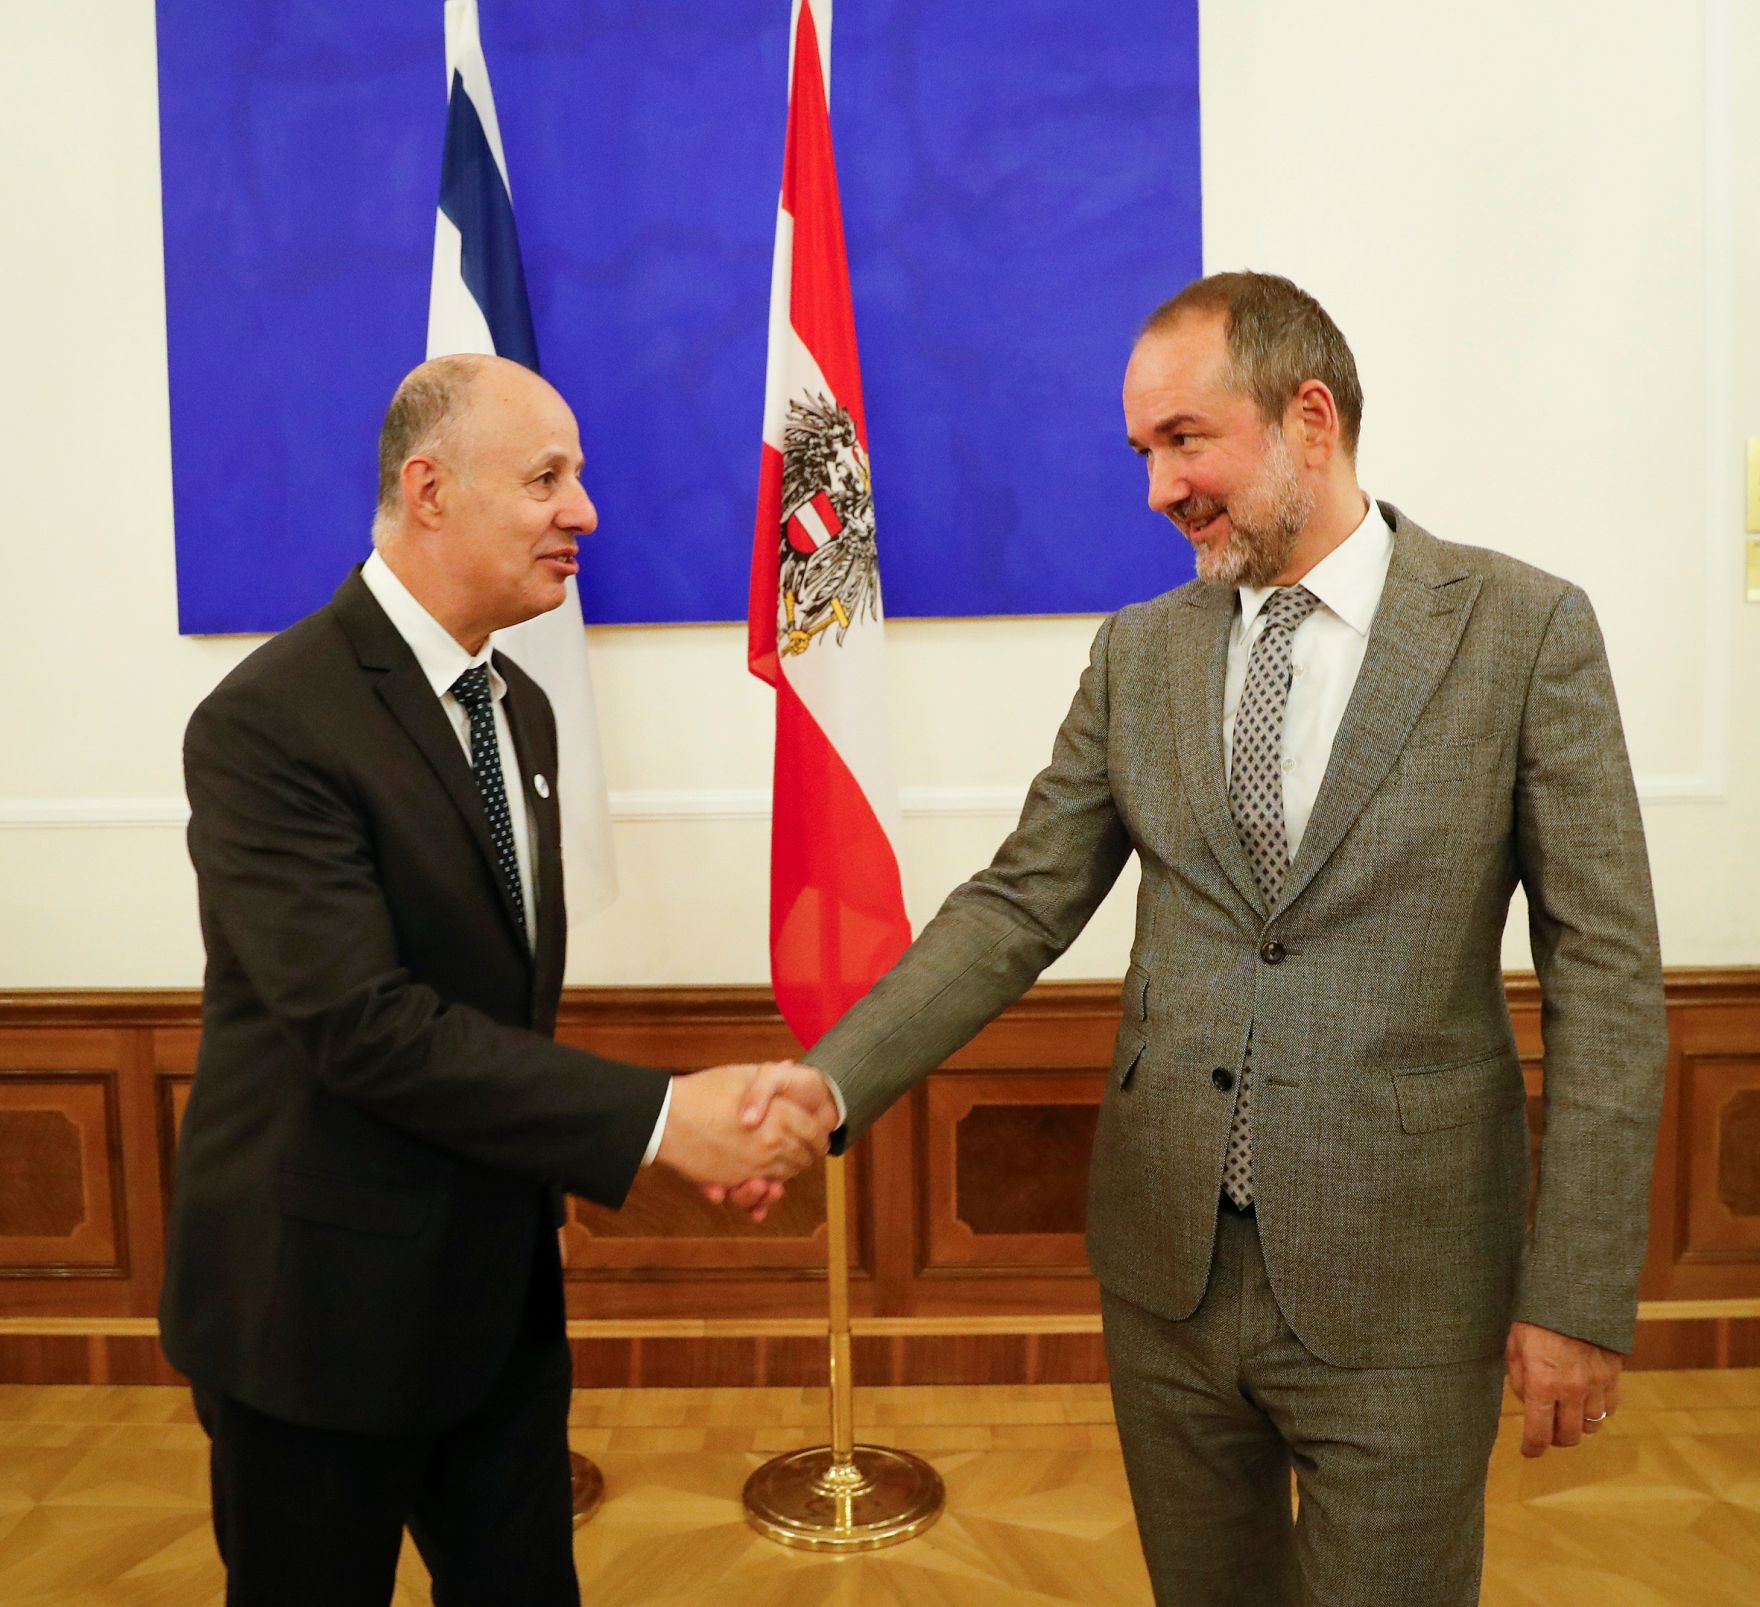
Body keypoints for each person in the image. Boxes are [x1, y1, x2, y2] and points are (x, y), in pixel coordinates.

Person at [764, 273, 1668, 1603]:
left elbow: (1608, 977)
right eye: (1144, 452)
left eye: (1186, 441)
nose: (1157, 489)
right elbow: (1020, 901)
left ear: (1312, 418)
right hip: (1165, 1274)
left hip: (1405, 1282)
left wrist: (1580, 1287)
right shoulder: (1140, 653)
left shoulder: (1522, 630)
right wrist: (826, 1080)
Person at [160, 353, 835, 1607]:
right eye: (546, 478)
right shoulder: (268, 723)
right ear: (428, 489)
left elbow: (489, 1006)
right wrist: (656, 1120)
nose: (584, 510)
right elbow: (363, 1027)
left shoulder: (513, 704)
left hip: (495, 1308)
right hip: (315, 1316)